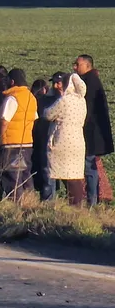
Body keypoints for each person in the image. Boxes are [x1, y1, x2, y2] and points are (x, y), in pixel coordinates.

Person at [44, 72, 90, 206]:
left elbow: (48, 114)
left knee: (65, 174)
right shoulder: (81, 100)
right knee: (74, 175)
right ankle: (77, 204)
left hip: (63, 139)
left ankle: (70, 205)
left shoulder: (64, 100)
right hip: (78, 140)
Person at [74, 55, 114, 206]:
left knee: (89, 166)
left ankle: (91, 201)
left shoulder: (88, 83)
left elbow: (86, 110)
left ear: (87, 65)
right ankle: (93, 199)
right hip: (94, 133)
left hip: (90, 133)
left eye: (77, 64)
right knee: (91, 166)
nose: (75, 67)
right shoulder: (92, 80)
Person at [0, 69, 37, 202]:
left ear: (12, 81)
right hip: (27, 143)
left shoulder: (12, 98)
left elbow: (4, 121)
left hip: (11, 144)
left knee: (11, 176)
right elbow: (34, 118)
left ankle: (15, 204)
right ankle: (29, 202)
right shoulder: (31, 97)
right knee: (25, 175)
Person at [31, 75, 63, 201]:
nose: (55, 86)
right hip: (46, 139)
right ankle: (48, 202)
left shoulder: (68, 100)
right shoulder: (44, 100)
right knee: (47, 172)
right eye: (54, 83)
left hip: (62, 139)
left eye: (58, 83)